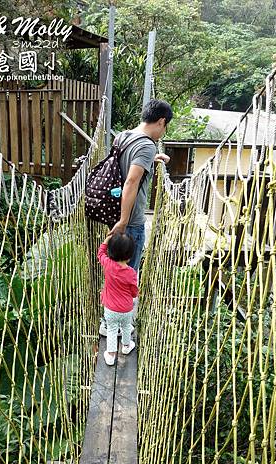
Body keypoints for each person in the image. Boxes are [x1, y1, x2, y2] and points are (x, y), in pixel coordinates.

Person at [99, 98, 173, 337]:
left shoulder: (123, 136)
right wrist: (123, 221)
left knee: (113, 272)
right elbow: (131, 181)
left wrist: (152, 160)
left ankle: (108, 321)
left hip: (115, 211)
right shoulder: (147, 144)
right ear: (161, 121)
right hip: (129, 221)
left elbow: (125, 165)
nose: (164, 131)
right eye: (166, 126)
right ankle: (119, 327)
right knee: (127, 274)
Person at [97, 232, 138, 366]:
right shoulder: (131, 272)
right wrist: (133, 295)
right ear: (130, 255)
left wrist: (106, 240)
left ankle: (110, 355)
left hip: (110, 308)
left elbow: (100, 254)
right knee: (126, 327)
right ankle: (126, 347)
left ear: (111, 252)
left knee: (112, 329)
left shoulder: (108, 264)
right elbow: (133, 291)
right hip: (126, 309)